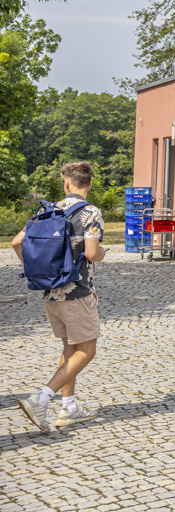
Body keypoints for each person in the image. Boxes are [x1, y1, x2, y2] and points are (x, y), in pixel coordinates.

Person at [13, 161, 106, 431]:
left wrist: (37, 270)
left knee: (69, 350)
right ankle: (40, 400)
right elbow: (91, 253)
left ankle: (69, 407)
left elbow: (17, 242)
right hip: (77, 294)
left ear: (66, 184)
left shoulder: (48, 210)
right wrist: (101, 254)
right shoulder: (91, 212)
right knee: (86, 351)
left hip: (51, 293)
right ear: (90, 184)